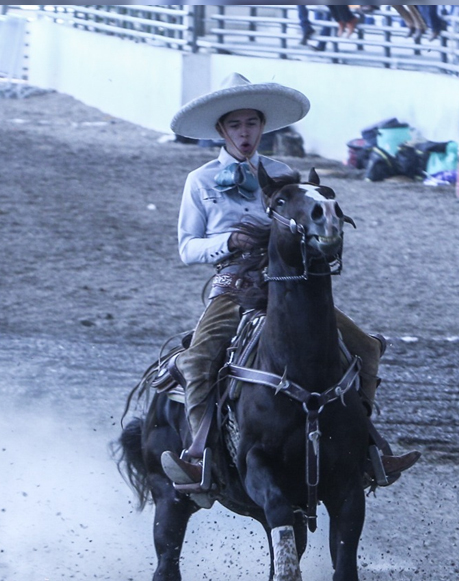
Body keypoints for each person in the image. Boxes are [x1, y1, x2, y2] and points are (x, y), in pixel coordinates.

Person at [161, 73, 420, 493]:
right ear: (221, 131)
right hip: (234, 284)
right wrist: (229, 240)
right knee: (197, 358)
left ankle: (366, 446)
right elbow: (187, 248)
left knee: (366, 347)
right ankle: (200, 458)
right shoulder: (200, 181)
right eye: (236, 126)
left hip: (290, 282)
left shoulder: (284, 174)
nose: (245, 133)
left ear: (262, 127)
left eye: (252, 124)